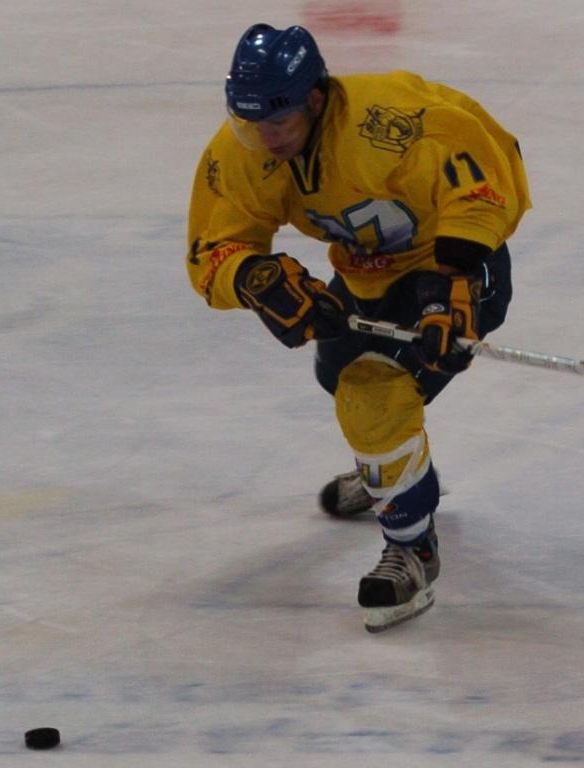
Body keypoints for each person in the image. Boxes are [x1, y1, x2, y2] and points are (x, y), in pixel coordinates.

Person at [186, 23, 530, 632]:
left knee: (373, 394)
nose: (265, 137)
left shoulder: (390, 125)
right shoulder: (248, 148)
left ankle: (413, 549)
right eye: (250, 122)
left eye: (278, 121)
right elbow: (213, 245)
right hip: (366, 272)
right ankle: (396, 477)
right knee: (338, 375)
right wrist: (254, 278)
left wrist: (451, 280)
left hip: (452, 265)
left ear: (315, 99)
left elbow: (484, 173)